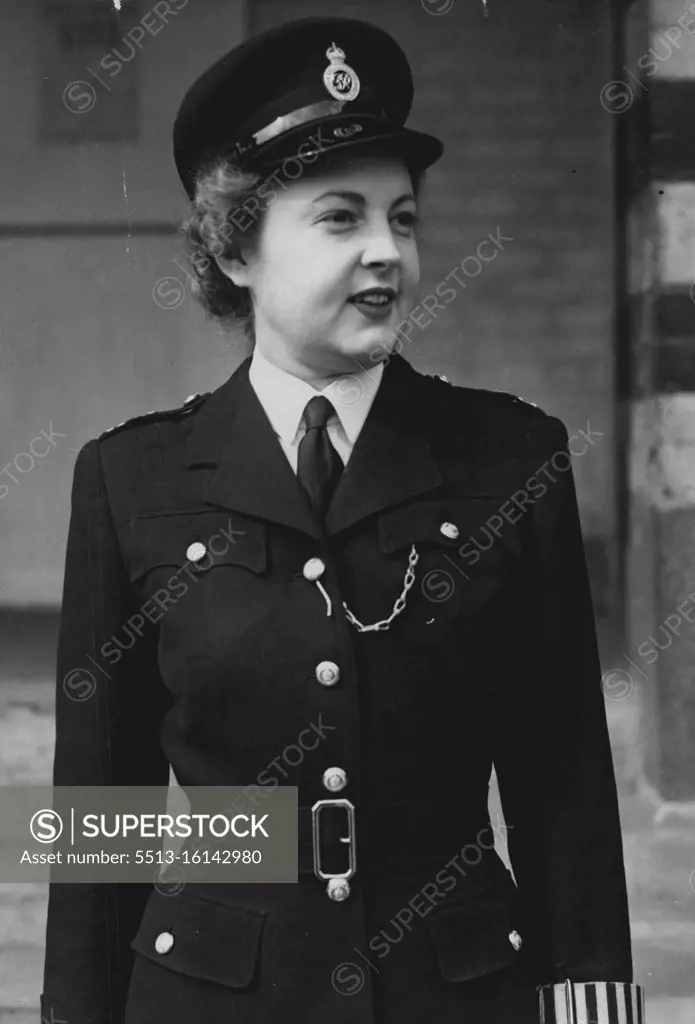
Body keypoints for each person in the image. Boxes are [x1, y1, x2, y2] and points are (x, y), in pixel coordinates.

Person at [41, 15, 645, 1024]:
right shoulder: (128, 477)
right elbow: (105, 818)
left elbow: (564, 798)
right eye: (339, 218)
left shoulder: (508, 461)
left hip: (453, 992)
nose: (386, 253)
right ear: (236, 251)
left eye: (402, 218)